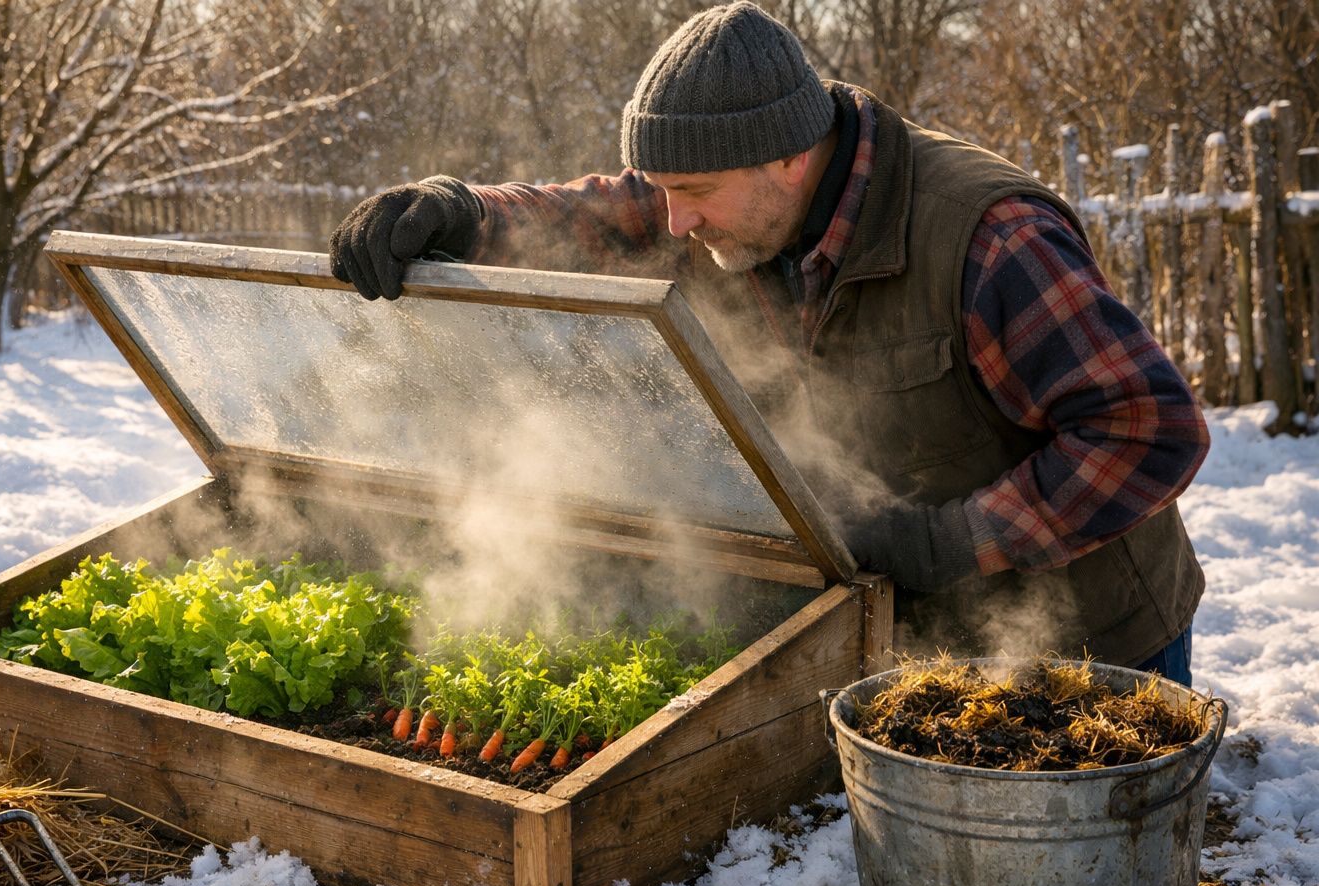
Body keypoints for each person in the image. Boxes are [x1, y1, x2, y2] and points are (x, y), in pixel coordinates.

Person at [327, 2, 1208, 684]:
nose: (675, 221)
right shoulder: (728, 197)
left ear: (788, 156)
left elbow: (1148, 431)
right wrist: (463, 212)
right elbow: (582, 215)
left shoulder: (986, 237)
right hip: (908, 644)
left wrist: (954, 541)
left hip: (1094, 650)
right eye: (663, 189)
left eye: (694, 191)